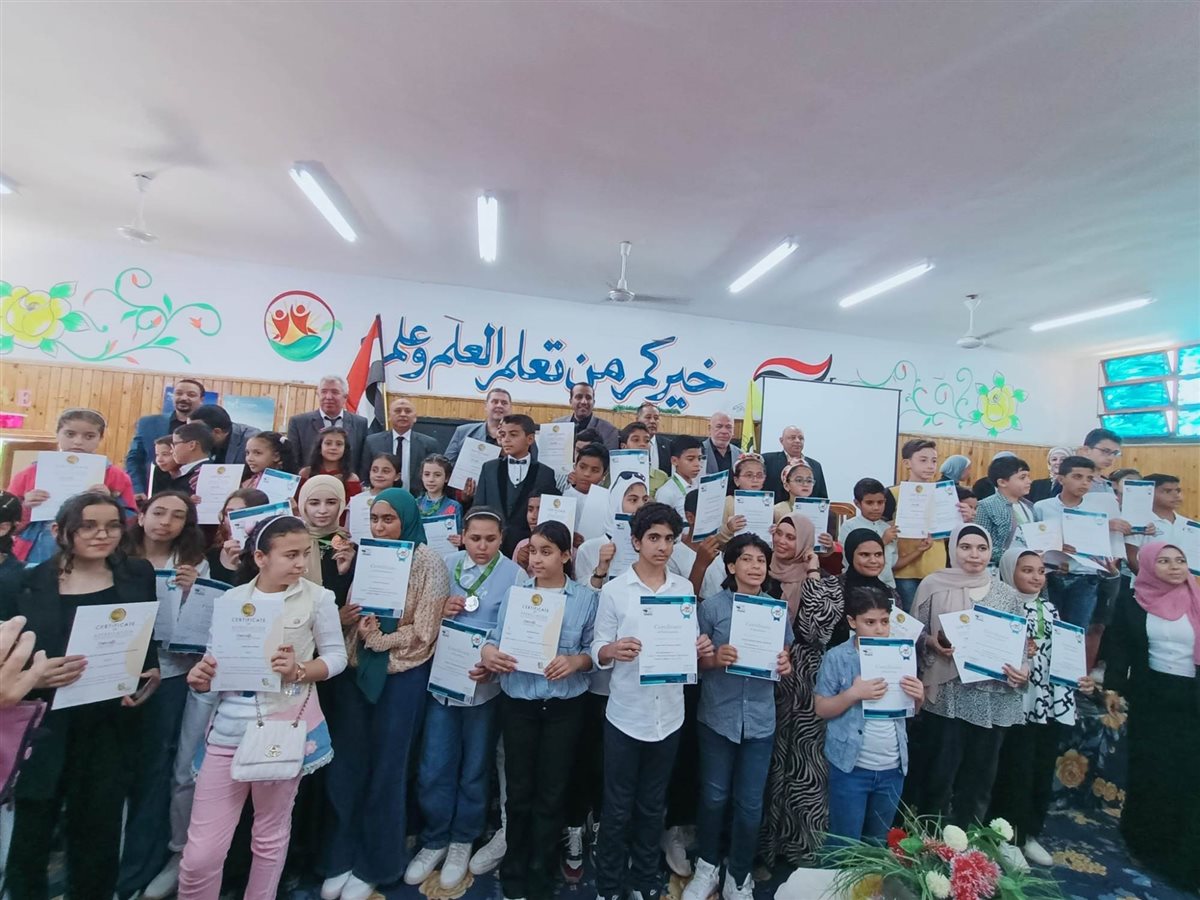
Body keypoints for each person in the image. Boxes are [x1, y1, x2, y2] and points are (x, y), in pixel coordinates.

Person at [177, 515, 348, 900]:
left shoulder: (317, 598)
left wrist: (299, 669)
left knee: (270, 836)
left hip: (281, 726)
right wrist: (203, 675)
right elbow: (214, 660)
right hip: (227, 728)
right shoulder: (231, 600)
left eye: (305, 553)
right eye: (290, 555)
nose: (301, 563)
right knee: (201, 854)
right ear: (260, 557)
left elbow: (336, 657)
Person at [0, 492, 160, 900]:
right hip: (43, 724)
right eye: (88, 526)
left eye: (111, 526)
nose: (101, 534)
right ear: (59, 530)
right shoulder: (22, 582)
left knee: (98, 833)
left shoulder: (137, 574)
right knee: (31, 833)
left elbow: (143, 638)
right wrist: (36, 675)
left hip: (108, 723)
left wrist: (149, 673)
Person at [318, 488, 450, 900]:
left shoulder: (428, 561)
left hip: (400, 675)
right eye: (375, 519)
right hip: (356, 673)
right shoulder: (367, 554)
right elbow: (353, 612)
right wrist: (351, 615)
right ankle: (342, 852)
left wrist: (379, 640)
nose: (380, 527)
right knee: (348, 767)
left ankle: (377, 862)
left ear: (406, 519)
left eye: (389, 519)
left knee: (387, 770)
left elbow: (425, 632)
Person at [591, 502, 714, 900]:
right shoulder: (615, 591)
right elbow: (597, 646)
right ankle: (609, 885)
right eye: (654, 538)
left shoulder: (682, 590)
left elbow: (688, 647)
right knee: (616, 808)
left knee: (652, 805)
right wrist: (612, 650)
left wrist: (699, 648)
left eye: (669, 539)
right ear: (636, 541)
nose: (663, 547)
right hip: (626, 714)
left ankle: (645, 880)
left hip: (669, 715)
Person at [406, 508, 524, 889]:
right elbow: (420, 615)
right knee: (434, 765)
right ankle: (435, 838)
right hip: (443, 682)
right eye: (475, 538)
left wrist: (494, 659)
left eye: (490, 539)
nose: (482, 546)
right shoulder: (446, 564)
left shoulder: (515, 575)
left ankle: (462, 839)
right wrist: (439, 609)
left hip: (483, 688)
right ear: (462, 535)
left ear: (502, 538)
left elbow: (517, 630)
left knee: (474, 768)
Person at [481, 520, 598, 900]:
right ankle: (514, 870)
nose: (536, 559)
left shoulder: (585, 598)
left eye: (546, 552)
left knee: (552, 792)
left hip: (564, 706)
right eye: (532, 550)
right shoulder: (517, 594)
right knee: (518, 791)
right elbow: (493, 638)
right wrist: (489, 653)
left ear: (565, 556)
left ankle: (540, 875)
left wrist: (576, 661)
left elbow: (594, 651)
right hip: (519, 702)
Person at [684, 535, 793, 900]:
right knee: (714, 797)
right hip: (718, 717)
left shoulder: (776, 610)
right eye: (746, 559)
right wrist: (716, 659)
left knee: (750, 804)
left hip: (760, 720)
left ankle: (739, 873)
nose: (755, 566)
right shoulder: (712, 608)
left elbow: (785, 658)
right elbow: (695, 662)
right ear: (731, 566)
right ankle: (707, 867)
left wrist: (785, 664)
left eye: (761, 560)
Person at [118, 491, 212, 899]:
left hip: (171, 675)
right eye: (158, 512)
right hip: (116, 674)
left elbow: (201, 631)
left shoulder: (194, 564)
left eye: (177, 516)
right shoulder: (116, 558)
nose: (165, 522)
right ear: (141, 516)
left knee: (158, 768)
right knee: (115, 769)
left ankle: (145, 862)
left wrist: (194, 594)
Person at [562, 473, 651, 880]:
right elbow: (581, 606)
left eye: (644, 498)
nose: (638, 505)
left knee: (616, 768)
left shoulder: (654, 552)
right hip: (593, 680)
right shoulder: (592, 548)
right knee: (584, 756)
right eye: (631, 498)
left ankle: (606, 829)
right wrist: (600, 569)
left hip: (633, 682)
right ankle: (575, 828)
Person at [910, 525, 1028, 827]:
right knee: (939, 773)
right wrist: (932, 643)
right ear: (953, 549)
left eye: (981, 548)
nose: (974, 554)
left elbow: (1020, 646)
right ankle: (931, 841)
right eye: (966, 547)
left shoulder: (1006, 594)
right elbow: (914, 634)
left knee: (980, 776)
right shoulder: (932, 585)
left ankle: (970, 841)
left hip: (991, 695)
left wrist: (1023, 669)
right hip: (948, 694)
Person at [987, 549, 1095, 869]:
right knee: (1014, 767)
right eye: (1027, 570)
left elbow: (1062, 650)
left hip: (1047, 699)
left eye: (1040, 571)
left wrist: (1078, 676)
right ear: (1009, 572)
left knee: (1041, 764)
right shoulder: (1000, 606)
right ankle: (1006, 836)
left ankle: (1030, 831)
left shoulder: (1049, 608)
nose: (1036, 577)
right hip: (1015, 698)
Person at [1103, 541, 1200, 892]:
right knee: (1152, 768)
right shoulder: (1133, 602)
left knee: (1189, 774)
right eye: (1164, 561)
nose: (1174, 567)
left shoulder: (1197, 599)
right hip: (1152, 696)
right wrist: (1112, 687)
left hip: (1192, 698)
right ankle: (1145, 841)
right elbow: (1120, 647)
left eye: (1180, 560)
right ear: (1146, 565)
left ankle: (1184, 853)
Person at [759, 514, 844, 868]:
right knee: (768, 764)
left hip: (808, 682)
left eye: (791, 537)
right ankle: (762, 850)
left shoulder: (827, 582)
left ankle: (799, 849)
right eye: (778, 533)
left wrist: (811, 573)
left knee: (805, 765)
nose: (782, 541)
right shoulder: (760, 574)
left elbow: (816, 631)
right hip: (768, 678)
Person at [814, 585, 924, 845]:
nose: (879, 629)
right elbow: (821, 708)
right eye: (870, 622)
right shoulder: (837, 657)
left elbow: (910, 710)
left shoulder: (901, 653)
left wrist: (918, 697)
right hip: (851, 767)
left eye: (884, 621)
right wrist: (853, 694)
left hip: (892, 767)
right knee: (843, 842)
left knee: (877, 843)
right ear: (852, 622)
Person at [8, 407, 137, 563]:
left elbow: (131, 521)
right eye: (70, 434)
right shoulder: (29, 474)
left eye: (89, 436)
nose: (78, 442)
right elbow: (6, 519)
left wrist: (110, 502)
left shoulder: (116, 476)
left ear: (100, 438)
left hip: (95, 548)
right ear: (57, 434)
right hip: (38, 550)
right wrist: (26, 506)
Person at [1033, 455, 1113, 628]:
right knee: (1048, 627)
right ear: (1061, 479)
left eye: (1089, 479)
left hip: (1085, 578)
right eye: (1077, 477)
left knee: (1076, 631)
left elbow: (1099, 547)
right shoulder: (1042, 507)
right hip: (1051, 576)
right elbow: (1034, 544)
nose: (1084, 483)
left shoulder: (1097, 512)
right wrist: (1055, 547)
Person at [471, 414, 558, 557]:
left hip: (528, 549)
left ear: (530, 439)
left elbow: (548, 516)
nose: (506, 439)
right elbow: (478, 507)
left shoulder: (545, 473)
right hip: (491, 545)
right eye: (503, 435)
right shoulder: (489, 468)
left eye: (513, 434)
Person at [126, 376, 206, 497]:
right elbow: (134, 460)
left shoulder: (208, 427)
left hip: (195, 494)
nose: (184, 398)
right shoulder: (148, 423)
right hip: (152, 492)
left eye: (191, 394)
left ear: (201, 399)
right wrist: (137, 489)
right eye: (179, 393)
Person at [891, 439, 947, 611]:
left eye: (934, 461)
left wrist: (963, 518)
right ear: (907, 463)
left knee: (933, 615)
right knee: (909, 617)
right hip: (905, 568)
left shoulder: (944, 494)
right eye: (923, 460)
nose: (930, 466)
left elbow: (952, 531)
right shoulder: (893, 493)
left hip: (935, 567)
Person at [827, 528, 903, 650]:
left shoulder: (890, 593)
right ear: (850, 555)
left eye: (878, 555)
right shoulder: (831, 587)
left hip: (881, 658)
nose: (873, 561)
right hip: (837, 658)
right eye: (865, 555)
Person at [286, 375, 369, 477]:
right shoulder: (299, 423)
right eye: (324, 392)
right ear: (318, 395)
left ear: (345, 397)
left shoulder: (360, 423)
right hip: (309, 483)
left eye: (335, 392)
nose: (328, 397)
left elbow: (362, 462)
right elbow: (292, 461)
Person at [359, 394, 439, 492]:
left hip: (416, 498)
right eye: (397, 411)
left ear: (415, 417)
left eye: (408, 411)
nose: (403, 414)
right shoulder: (372, 442)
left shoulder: (429, 444)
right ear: (389, 416)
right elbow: (365, 475)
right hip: (381, 497)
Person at [296, 476, 357, 604]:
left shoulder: (347, 548)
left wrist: (344, 572)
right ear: (303, 505)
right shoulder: (291, 544)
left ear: (341, 504)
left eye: (331, 502)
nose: (322, 510)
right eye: (314, 503)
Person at [973, 455, 1034, 566]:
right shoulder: (986, 506)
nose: (1029, 481)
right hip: (1000, 567)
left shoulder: (1030, 506)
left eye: (1028, 477)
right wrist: (1014, 558)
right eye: (1022, 478)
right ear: (1002, 482)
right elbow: (980, 544)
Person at [838, 478, 898, 589]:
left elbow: (893, 562)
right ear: (857, 503)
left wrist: (918, 550)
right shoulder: (849, 526)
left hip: (887, 585)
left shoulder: (887, 528)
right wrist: (883, 541)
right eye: (869, 503)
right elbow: (849, 559)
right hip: (857, 586)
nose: (876, 508)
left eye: (880, 502)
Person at [206, 489, 270, 583]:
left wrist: (242, 567)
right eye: (228, 514)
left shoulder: (270, 556)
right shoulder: (212, 554)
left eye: (242, 514)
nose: (233, 520)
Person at [445, 387, 513, 464]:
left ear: (510, 408)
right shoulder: (462, 432)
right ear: (486, 406)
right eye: (495, 402)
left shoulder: (519, 438)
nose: (499, 405)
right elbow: (446, 465)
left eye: (504, 403)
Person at [762, 426, 828, 503]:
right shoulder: (768, 460)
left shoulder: (815, 466)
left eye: (801, 438)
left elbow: (822, 498)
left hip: (807, 509)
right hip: (774, 508)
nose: (797, 441)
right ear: (781, 441)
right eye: (792, 438)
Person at [346, 452, 402, 542]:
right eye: (375, 470)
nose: (379, 475)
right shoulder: (357, 500)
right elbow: (347, 530)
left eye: (385, 471)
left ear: (397, 476)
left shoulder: (403, 499)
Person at [299, 426, 363, 500]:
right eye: (328, 443)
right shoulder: (306, 473)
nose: (333, 448)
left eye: (339, 444)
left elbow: (354, 505)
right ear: (319, 447)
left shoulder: (351, 478)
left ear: (345, 449)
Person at [553, 383, 619, 450]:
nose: (584, 402)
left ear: (593, 402)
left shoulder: (608, 430)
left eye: (588, 398)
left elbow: (609, 455)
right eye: (579, 397)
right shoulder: (557, 424)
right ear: (571, 401)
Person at [187, 404, 259, 466]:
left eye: (196, 431)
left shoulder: (254, 440)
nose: (191, 435)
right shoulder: (193, 442)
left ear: (217, 432)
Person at [655, 434, 704, 518]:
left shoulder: (700, 486)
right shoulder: (666, 493)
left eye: (699, 458)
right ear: (674, 461)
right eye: (690, 459)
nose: (697, 464)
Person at [619, 421, 668, 495]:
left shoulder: (661, 477)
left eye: (647, 441)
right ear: (623, 446)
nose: (642, 444)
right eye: (636, 440)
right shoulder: (613, 473)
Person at [416, 454, 464, 529]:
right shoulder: (415, 504)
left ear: (447, 478)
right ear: (421, 476)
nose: (431, 479)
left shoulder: (454, 506)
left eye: (437, 475)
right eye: (427, 474)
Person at [168, 422, 216, 496]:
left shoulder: (205, 474)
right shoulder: (178, 471)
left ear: (192, 445)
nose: (171, 451)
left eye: (175, 444)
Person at [636, 401, 673, 475]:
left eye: (656, 418)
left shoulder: (669, 445)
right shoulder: (628, 442)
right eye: (648, 417)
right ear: (637, 420)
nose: (653, 421)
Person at [702, 411, 741, 478]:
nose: (724, 431)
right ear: (709, 428)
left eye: (728, 427)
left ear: (733, 431)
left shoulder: (740, 454)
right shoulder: (699, 451)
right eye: (719, 426)